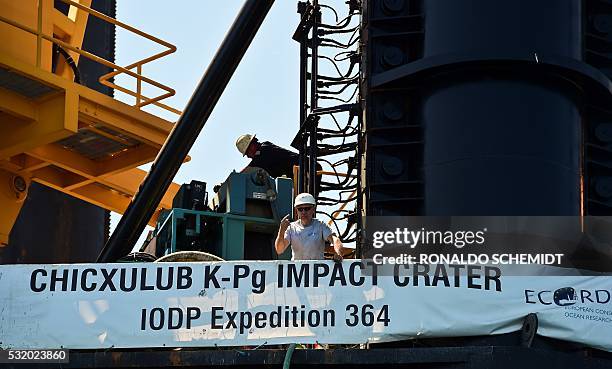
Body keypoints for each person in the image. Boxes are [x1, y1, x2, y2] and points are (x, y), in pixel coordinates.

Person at [274, 192, 344, 261]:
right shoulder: (292, 228)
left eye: (307, 208)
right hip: (298, 270)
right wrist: (281, 230)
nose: (303, 212)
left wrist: (338, 253)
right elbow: (279, 250)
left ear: (313, 209)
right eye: (300, 209)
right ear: (296, 211)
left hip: (317, 270)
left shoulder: (320, 225)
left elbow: (335, 239)